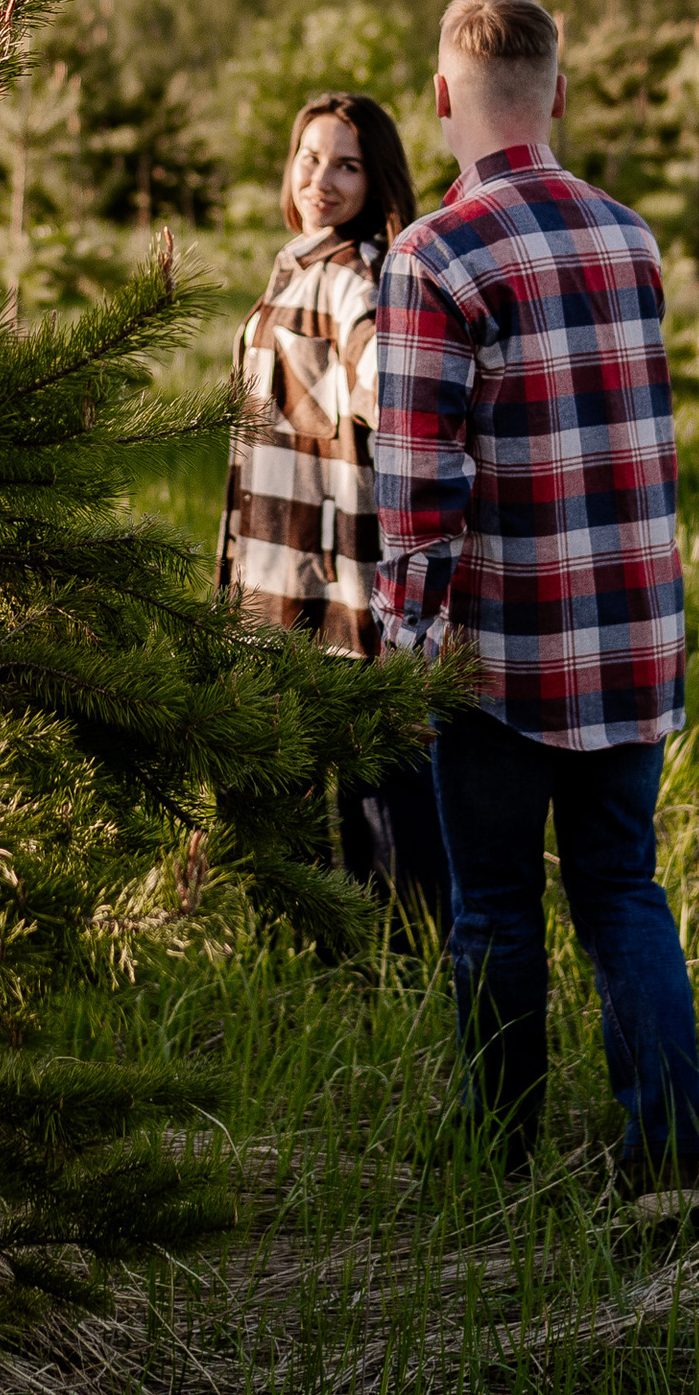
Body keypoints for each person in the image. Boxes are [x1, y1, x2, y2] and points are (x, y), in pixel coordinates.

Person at [371, 0, 699, 1188]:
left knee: (495, 910)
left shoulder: (432, 256)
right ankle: (667, 1170)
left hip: (501, 655)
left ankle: (495, 1164)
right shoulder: (632, 237)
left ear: (443, 97)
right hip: (629, 637)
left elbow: (418, 489)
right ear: (556, 94)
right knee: (623, 892)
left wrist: (401, 659)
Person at [216, 92, 449, 923]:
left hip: (338, 591)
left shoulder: (358, 276)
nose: (322, 178)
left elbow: (388, 378)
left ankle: (414, 960)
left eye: (347, 164)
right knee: (302, 789)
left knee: (380, 795)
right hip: (274, 577)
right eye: (310, 158)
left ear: (376, 177)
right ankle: (321, 954)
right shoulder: (299, 265)